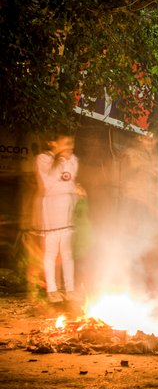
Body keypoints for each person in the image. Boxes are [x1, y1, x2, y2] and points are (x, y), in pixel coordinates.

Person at [34, 130, 85, 303]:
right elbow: (49, 184)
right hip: (51, 214)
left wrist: (76, 191)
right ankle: (52, 289)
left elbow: (69, 183)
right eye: (65, 144)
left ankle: (70, 289)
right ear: (53, 144)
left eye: (71, 144)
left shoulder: (74, 161)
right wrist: (60, 160)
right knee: (50, 252)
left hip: (67, 213)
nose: (69, 148)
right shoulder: (44, 159)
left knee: (67, 253)